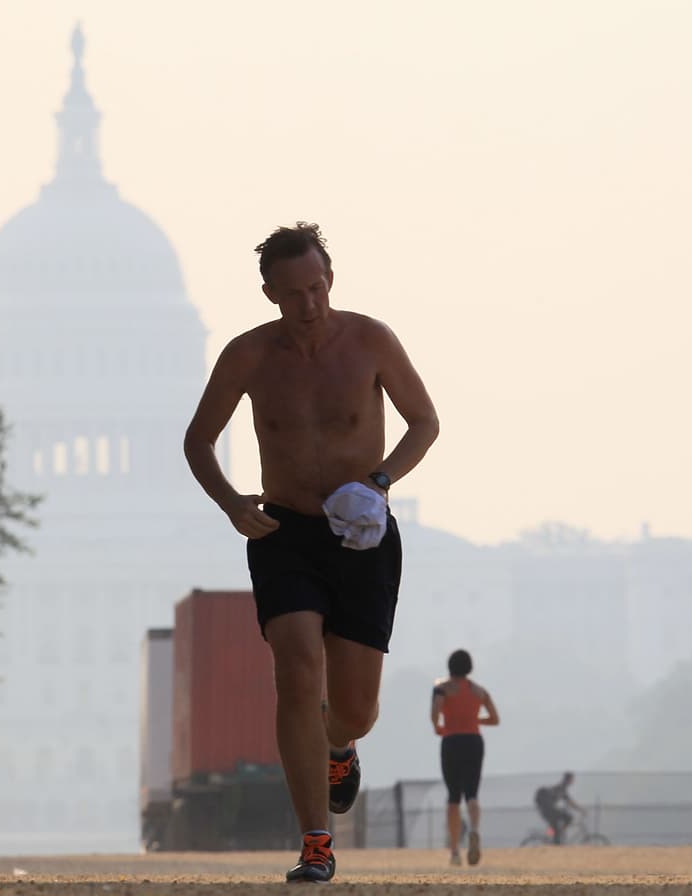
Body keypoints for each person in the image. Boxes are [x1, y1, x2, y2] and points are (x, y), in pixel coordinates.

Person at [184, 222, 439, 883]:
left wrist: (380, 482)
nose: (310, 303)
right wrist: (230, 502)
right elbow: (198, 441)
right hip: (285, 532)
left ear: (331, 279)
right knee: (297, 672)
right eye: (294, 292)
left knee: (353, 708)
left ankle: (342, 746)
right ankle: (316, 843)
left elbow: (425, 422)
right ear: (269, 292)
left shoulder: (370, 340)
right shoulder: (248, 356)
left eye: (319, 287)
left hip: (361, 535)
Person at [430, 649, 499, 867]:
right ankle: (475, 830)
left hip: (451, 741)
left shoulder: (441, 689)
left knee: (453, 796)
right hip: (474, 742)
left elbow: (434, 712)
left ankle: (454, 852)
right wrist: (476, 721)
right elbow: (495, 718)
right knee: (472, 793)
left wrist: (438, 726)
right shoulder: (479, 691)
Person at [534, 772, 583, 844]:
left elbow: (567, 801)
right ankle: (557, 839)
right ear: (569, 779)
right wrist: (581, 810)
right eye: (572, 779)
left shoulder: (561, 788)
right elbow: (570, 802)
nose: (573, 781)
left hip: (547, 811)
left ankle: (555, 836)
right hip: (548, 811)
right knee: (568, 818)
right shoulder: (561, 788)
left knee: (557, 826)